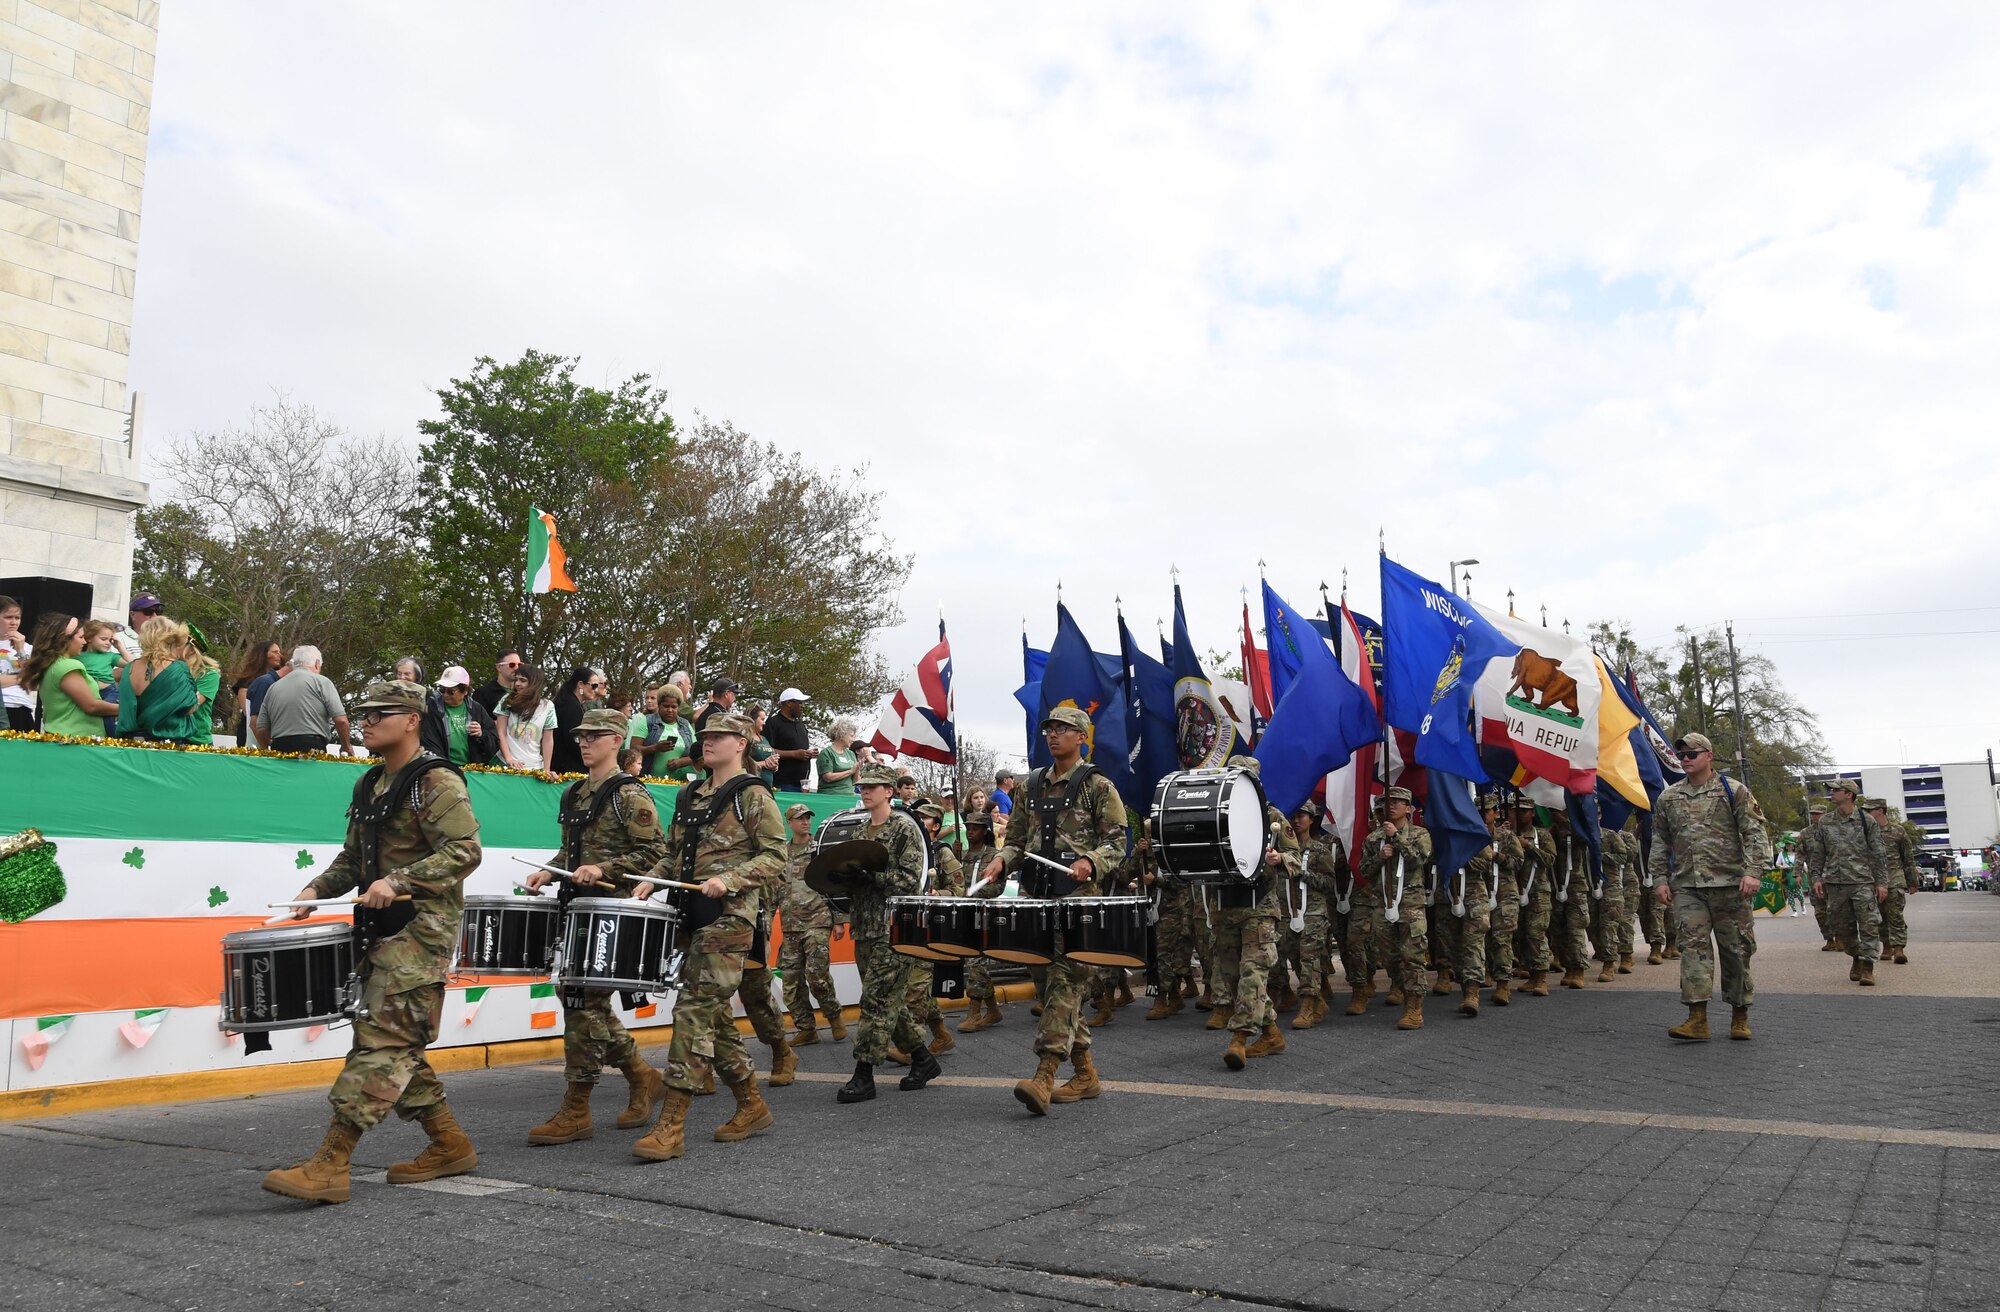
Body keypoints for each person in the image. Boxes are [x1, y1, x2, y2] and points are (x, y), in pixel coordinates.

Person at [263, 680, 482, 1204]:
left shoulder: (435, 782)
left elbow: (466, 851)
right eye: (361, 713)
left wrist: (400, 882)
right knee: (399, 1038)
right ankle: (449, 1144)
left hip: (422, 932)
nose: (364, 721)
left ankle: (332, 1162)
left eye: (377, 713)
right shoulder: (370, 784)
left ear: (410, 719)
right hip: (381, 931)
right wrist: (316, 889)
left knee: (381, 1039)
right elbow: (352, 860)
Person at [627, 711, 787, 1160]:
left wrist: (731, 880)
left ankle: (671, 1126)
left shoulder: (753, 795)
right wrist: (653, 877)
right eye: (706, 736)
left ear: (741, 743)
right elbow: (677, 855)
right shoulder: (690, 794)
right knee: (713, 1019)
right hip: (689, 916)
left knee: (693, 1013)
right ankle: (751, 1104)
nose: (709, 742)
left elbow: (777, 856)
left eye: (719, 736)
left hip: (729, 920)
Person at [521, 708, 669, 1145]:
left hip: (612, 913)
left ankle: (577, 1107)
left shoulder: (628, 794)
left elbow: (654, 854)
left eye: (594, 736)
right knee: (579, 999)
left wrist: (602, 867)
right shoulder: (573, 794)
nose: (584, 742)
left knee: (583, 1004)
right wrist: (550, 871)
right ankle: (641, 1075)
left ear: (617, 740)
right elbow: (570, 853)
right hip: (577, 908)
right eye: (581, 735)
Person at [981, 706, 1129, 1114]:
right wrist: (1002, 860)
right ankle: (1085, 1075)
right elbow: (1016, 840)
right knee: (1049, 989)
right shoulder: (1029, 786)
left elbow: (1118, 842)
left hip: (1079, 903)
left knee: (1066, 983)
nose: (1053, 735)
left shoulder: (1097, 785)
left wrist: (1092, 861)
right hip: (1035, 899)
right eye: (1050, 729)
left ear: (1081, 736)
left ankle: (1044, 1076)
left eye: (1063, 729)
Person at [1652, 732, 1773, 1042]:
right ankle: (1697, 1019)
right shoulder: (1669, 798)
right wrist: (1660, 879)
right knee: (1692, 950)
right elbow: (1660, 840)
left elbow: (1756, 833)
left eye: (1693, 753)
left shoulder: (1733, 791)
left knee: (1736, 951)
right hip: (1688, 887)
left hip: (1731, 887)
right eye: (1682, 755)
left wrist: (1754, 872)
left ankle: (1739, 1016)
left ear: (1709, 755)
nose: (1686, 759)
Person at [834, 761, 936, 1104]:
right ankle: (923, 1060)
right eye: (862, 787)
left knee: (875, 999)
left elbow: (911, 881)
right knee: (889, 1000)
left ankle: (864, 1075)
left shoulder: (905, 829)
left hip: (896, 928)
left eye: (871, 787)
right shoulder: (859, 832)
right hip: (864, 927)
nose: (864, 792)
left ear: (888, 792)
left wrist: (873, 878)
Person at [1204, 756, 1298, 1066]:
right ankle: (1271, 1033)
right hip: (1225, 905)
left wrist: (1279, 859)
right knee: (1233, 978)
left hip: (1260, 907)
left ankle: (1239, 1039)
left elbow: (1296, 860)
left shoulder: (1271, 816)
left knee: (1252, 973)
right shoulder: (1215, 815)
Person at [1798, 778, 1889, 987]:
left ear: (1849, 794)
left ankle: (1867, 967)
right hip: (1835, 884)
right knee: (1843, 928)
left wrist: (1882, 883)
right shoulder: (1826, 822)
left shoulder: (1867, 821)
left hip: (1862, 882)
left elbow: (1878, 853)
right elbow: (1818, 853)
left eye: (1836, 790)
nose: (1832, 793)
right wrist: (1816, 877)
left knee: (1868, 926)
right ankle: (1855, 957)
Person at [1362, 785, 1434, 1031]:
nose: (1390, 807)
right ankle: (1401, 986)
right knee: (1389, 957)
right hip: (1383, 904)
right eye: (1387, 803)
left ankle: (1414, 1008)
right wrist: (1378, 858)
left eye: (1397, 802)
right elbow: (1364, 872)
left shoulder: (1419, 834)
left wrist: (1398, 839)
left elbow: (1419, 860)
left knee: (1412, 956)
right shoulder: (1373, 839)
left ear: (1408, 808)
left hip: (1411, 905)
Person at [777, 803, 845, 1046]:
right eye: (800, 818)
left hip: (817, 920)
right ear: (790, 823)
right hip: (790, 925)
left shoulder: (819, 850)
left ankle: (834, 1017)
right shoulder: (781, 853)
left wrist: (838, 920)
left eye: (807, 817)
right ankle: (806, 1029)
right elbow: (775, 888)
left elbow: (834, 885)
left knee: (817, 975)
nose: (805, 822)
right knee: (791, 980)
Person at [19, 612, 118, 737]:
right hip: (75, 741)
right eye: (81, 637)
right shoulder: (68, 666)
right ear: (65, 639)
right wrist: (128, 710)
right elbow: (91, 706)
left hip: (62, 737)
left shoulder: (52, 664)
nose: (84, 642)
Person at [115, 617, 203, 743]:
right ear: (172, 640)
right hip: (168, 745)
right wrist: (196, 699)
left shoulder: (129, 668)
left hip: (132, 744)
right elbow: (189, 708)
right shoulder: (178, 668)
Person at [958, 810, 1008, 1031]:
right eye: (968, 827)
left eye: (975, 828)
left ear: (985, 830)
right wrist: (955, 857)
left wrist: (974, 894)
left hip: (984, 914)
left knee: (975, 961)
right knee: (973, 961)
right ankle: (993, 1010)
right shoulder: (963, 854)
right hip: (963, 914)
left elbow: (998, 887)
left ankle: (974, 1011)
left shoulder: (993, 856)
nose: (970, 831)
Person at [255, 645, 349, 754]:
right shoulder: (322, 682)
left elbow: (261, 729)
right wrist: (346, 747)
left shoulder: (273, 687)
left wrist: (269, 748)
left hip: (279, 747)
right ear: (317, 663)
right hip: (312, 746)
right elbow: (341, 721)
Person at [1866, 797, 1920, 964]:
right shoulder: (1865, 832)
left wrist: (1912, 882)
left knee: (1895, 914)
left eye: (1870, 810)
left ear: (1880, 810)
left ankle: (1899, 949)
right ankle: (1887, 945)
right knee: (1879, 915)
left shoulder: (1898, 831)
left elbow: (1908, 858)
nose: (1867, 813)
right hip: (1873, 880)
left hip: (1895, 878)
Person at [421, 666, 497, 767]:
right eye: (442, 690)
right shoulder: (432, 708)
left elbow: (495, 743)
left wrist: (481, 734)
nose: (445, 695)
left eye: (451, 691)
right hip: (443, 769)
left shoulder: (477, 709)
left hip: (472, 771)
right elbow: (428, 740)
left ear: (465, 691)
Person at [496, 663, 557, 771]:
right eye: (516, 680)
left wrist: (547, 769)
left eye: (523, 680)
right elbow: (501, 732)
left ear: (534, 683)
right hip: (504, 763)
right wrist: (509, 759)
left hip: (535, 767)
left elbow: (548, 740)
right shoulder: (507, 700)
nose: (517, 684)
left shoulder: (548, 706)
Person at [549, 668, 602, 774]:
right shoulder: (571, 706)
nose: (596, 690)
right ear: (581, 684)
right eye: (594, 686)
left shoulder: (569, 702)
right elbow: (573, 740)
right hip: (568, 768)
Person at [76, 620, 126, 734]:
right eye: (104, 639)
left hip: (109, 691)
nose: (108, 643)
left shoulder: (111, 656)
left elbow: (132, 663)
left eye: (110, 640)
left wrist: (119, 647)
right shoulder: (78, 656)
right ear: (89, 638)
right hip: (88, 691)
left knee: (107, 717)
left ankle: (113, 740)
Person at [641, 684, 698, 782]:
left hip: (680, 784)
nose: (670, 710)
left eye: (674, 707)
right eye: (666, 706)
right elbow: (633, 750)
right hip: (650, 783)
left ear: (678, 707)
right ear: (659, 705)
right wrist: (654, 748)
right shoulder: (647, 721)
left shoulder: (685, 725)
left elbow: (697, 755)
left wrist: (681, 762)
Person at [230, 640, 281, 738]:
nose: (279, 655)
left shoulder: (279, 679)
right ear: (263, 654)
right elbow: (247, 710)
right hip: (250, 733)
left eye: (279, 652)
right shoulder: (246, 680)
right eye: (275, 652)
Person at [181, 625, 223, 746]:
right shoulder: (171, 669)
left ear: (191, 650)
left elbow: (190, 705)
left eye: (179, 644)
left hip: (196, 740)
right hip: (171, 736)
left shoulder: (209, 674)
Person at [765, 688, 815, 791]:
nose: (802, 706)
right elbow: (766, 750)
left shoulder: (801, 725)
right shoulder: (773, 723)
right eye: (799, 702)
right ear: (789, 703)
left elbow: (801, 750)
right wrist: (794, 754)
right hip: (782, 784)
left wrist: (809, 754)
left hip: (802, 784)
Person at [0, 595, 32, 731]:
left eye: (17, 618)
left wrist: (20, 650)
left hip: (20, 707)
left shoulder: (27, 647)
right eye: (8, 617)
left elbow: (33, 683)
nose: (13, 622)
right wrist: (22, 677)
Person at [112, 591, 164, 661]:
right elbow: (110, 671)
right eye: (148, 611)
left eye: (158, 611)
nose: (155, 616)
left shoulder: (165, 641)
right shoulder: (117, 639)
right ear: (132, 615)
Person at [471, 649, 521, 717]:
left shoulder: (524, 693)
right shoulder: (482, 693)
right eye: (512, 665)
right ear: (499, 667)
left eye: (519, 665)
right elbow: (478, 720)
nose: (516, 668)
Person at [816, 722, 860, 794]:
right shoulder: (826, 753)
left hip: (849, 795)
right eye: (851, 736)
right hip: (830, 795)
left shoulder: (851, 754)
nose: (853, 740)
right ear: (842, 735)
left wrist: (857, 770)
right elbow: (827, 777)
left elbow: (855, 781)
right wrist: (850, 771)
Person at [745, 703, 779, 789]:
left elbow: (770, 762)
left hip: (768, 786)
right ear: (753, 720)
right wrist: (764, 763)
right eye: (762, 719)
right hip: (752, 785)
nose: (764, 723)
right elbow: (741, 765)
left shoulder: (764, 739)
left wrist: (774, 765)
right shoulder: (745, 739)